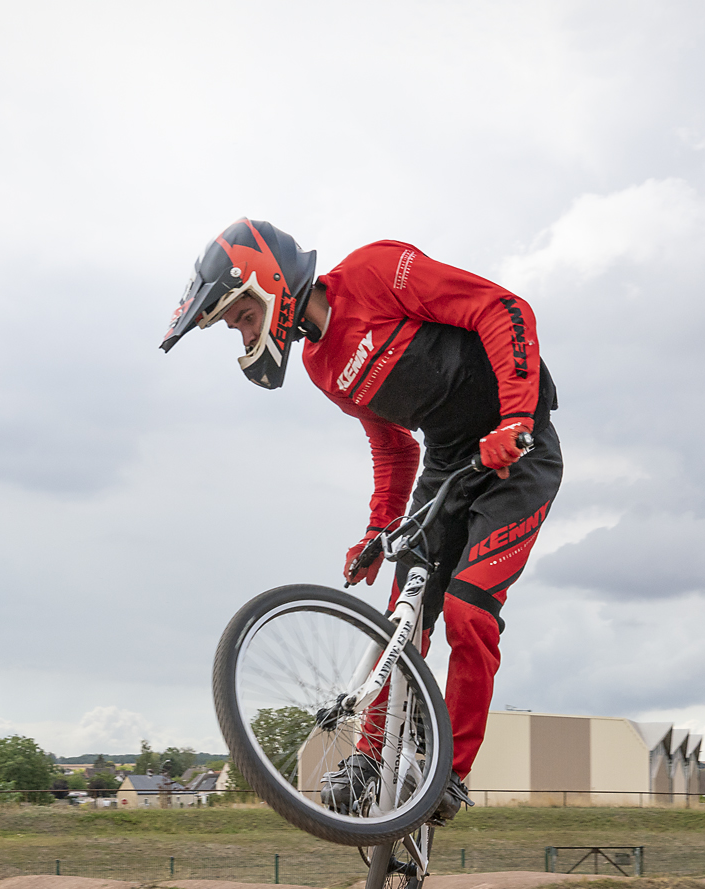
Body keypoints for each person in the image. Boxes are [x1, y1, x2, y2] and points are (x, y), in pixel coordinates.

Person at [161, 218, 561, 823]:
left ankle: (450, 774)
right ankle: (370, 758)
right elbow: (394, 448)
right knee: (399, 623)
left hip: (519, 456)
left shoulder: (376, 272)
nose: (243, 333)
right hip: (448, 465)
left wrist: (515, 418)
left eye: (243, 317)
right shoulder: (322, 364)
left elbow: (503, 310)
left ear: (270, 284)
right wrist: (378, 529)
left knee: (468, 612)